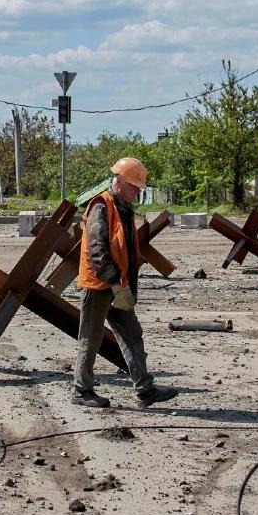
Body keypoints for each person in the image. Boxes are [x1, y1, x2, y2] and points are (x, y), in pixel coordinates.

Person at [72, 157, 179, 409]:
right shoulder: (101, 206)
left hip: (118, 285)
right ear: (119, 182)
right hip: (99, 286)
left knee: (132, 335)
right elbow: (97, 250)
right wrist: (114, 283)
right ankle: (81, 390)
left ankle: (145, 389)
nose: (137, 193)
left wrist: (125, 285)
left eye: (139, 189)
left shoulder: (122, 207)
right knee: (90, 338)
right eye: (134, 188)